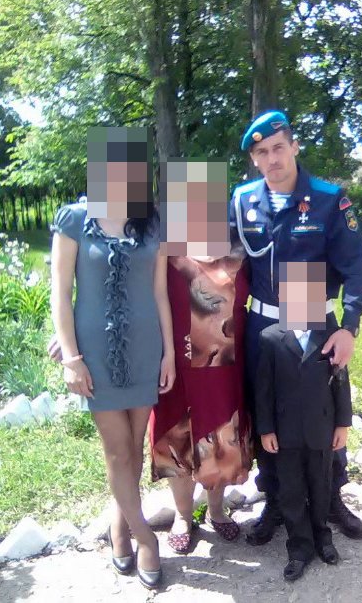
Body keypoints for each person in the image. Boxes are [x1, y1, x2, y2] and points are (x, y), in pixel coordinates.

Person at [229, 110, 362, 546]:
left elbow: (355, 271)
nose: (272, 159)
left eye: (278, 148)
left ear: (294, 146)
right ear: (254, 159)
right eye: (261, 152)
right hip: (262, 322)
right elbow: (213, 261)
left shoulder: (329, 199)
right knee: (266, 411)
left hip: (311, 315)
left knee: (321, 410)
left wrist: (349, 327)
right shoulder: (242, 200)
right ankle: (275, 500)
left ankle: (331, 498)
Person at [50, 127, 175, 590]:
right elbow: (60, 294)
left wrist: (169, 353)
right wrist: (71, 357)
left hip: (145, 350)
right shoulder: (74, 219)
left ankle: (120, 529)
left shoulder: (153, 223)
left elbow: (160, 293)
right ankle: (146, 538)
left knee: (134, 450)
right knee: (118, 449)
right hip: (97, 355)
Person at [150, 158, 252, 554]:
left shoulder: (238, 249)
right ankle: (182, 515)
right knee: (178, 437)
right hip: (177, 362)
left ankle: (217, 510)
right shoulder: (168, 249)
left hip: (225, 366)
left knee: (222, 436)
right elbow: (153, 298)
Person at [255, 261, 352, 581]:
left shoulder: (330, 337)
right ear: (280, 296)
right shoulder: (270, 338)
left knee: (321, 486)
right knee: (292, 491)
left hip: (321, 430)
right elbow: (264, 391)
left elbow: (341, 383)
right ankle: (299, 546)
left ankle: (323, 536)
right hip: (285, 435)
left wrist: (342, 424)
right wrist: (266, 429)